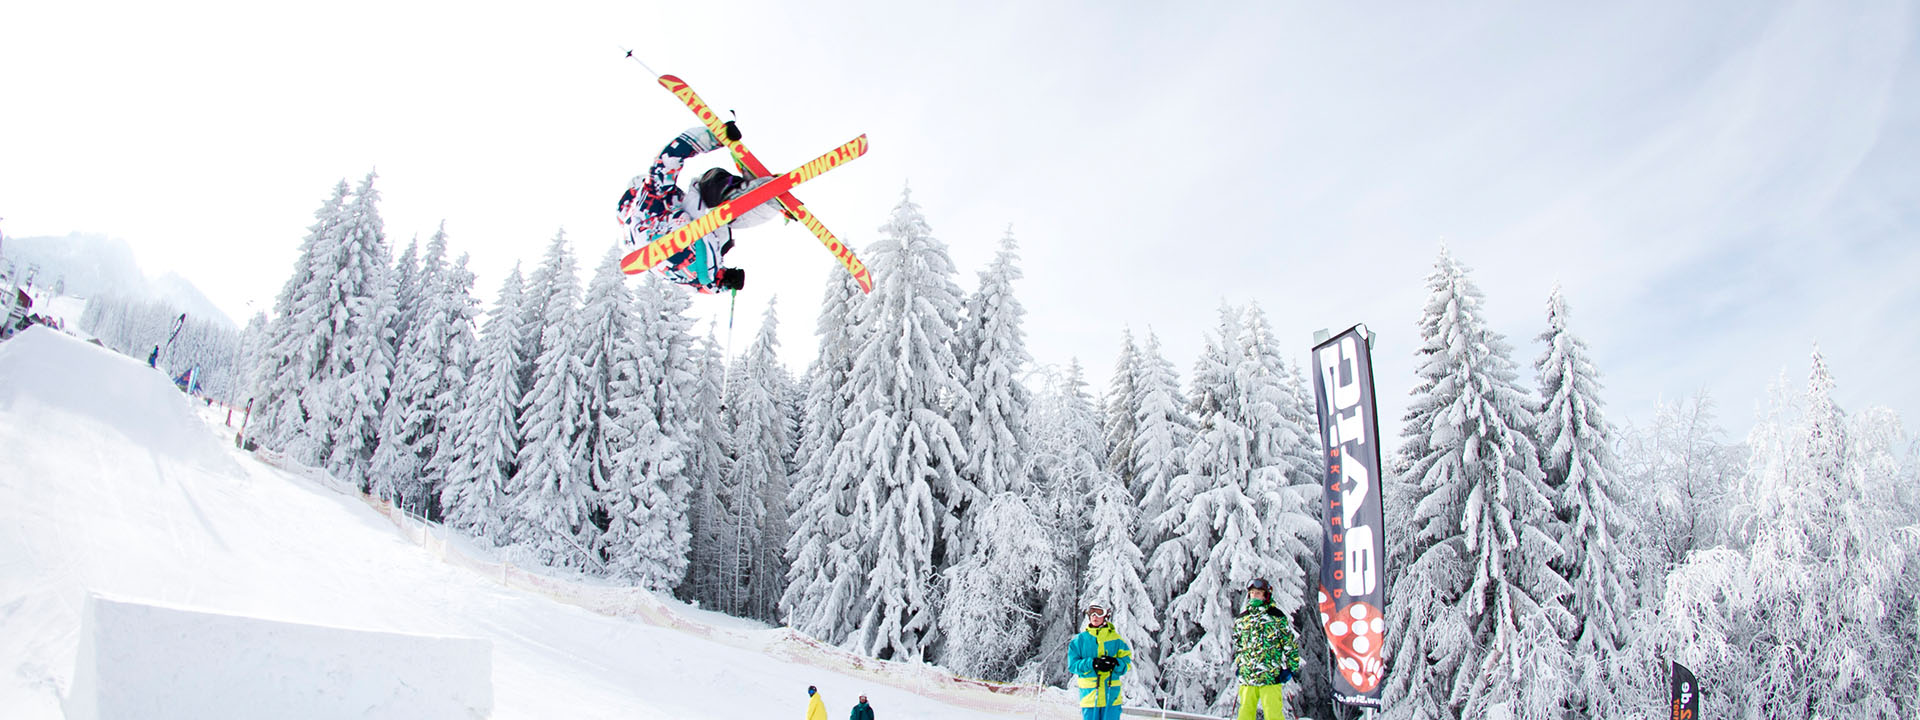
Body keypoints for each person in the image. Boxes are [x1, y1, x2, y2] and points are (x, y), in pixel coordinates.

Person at [617, 122, 781, 293]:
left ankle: (767, 201)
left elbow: (693, 285)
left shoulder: (643, 254)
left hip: (696, 266)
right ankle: (763, 198)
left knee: (719, 219)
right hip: (678, 237)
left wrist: (724, 281)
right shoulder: (649, 197)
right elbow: (667, 159)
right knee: (705, 186)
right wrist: (717, 136)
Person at [1232, 578, 1300, 720]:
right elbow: (1239, 645)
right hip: (1248, 677)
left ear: (1266, 595)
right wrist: (1240, 665)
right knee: (1245, 714)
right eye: (1252, 593)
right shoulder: (1243, 619)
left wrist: (1291, 668)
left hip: (1270, 676)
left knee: (1273, 715)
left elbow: (1288, 643)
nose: (1255, 596)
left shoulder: (1276, 616)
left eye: (1258, 593)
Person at [1067, 601, 1131, 720]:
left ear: (1106, 616)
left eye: (1099, 612)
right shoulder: (1079, 641)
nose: (1095, 616)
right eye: (1091, 612)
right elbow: (1073, 665)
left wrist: (1115, 663)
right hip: (1090, 697)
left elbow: (1126, 663)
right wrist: (1092, 663)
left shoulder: (1116, 640)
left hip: (1111, 697)